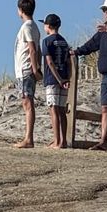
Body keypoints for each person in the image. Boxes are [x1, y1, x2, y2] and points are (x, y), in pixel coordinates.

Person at [73, 0, 107, 149]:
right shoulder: (104, 29)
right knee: (106, 108)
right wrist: (76, 52)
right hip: (104, 73)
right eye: (104, 10)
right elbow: (91, 44)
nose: (106, 13)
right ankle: (103, 141)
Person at [12, 0, 43, 149]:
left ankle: (28, 138)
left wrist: (35, 68)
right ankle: (28, 137)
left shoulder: (27, 27)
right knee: (27, 101)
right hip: (26, 69)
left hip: (25, 69)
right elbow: (38, 49)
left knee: (27, 102)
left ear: (21, 10)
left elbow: (32, 48)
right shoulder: (33, 26)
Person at [41, 13, 71, 149]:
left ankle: (57, 140)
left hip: (53, 79)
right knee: (61, 110)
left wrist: (58, 79)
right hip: (64, 77)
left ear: (48, 26)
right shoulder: (64, 41)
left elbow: (49, 61)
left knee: (53, 109)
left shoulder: (47, 41)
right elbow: (69, 61)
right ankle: (63, 140)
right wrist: (67, 78)